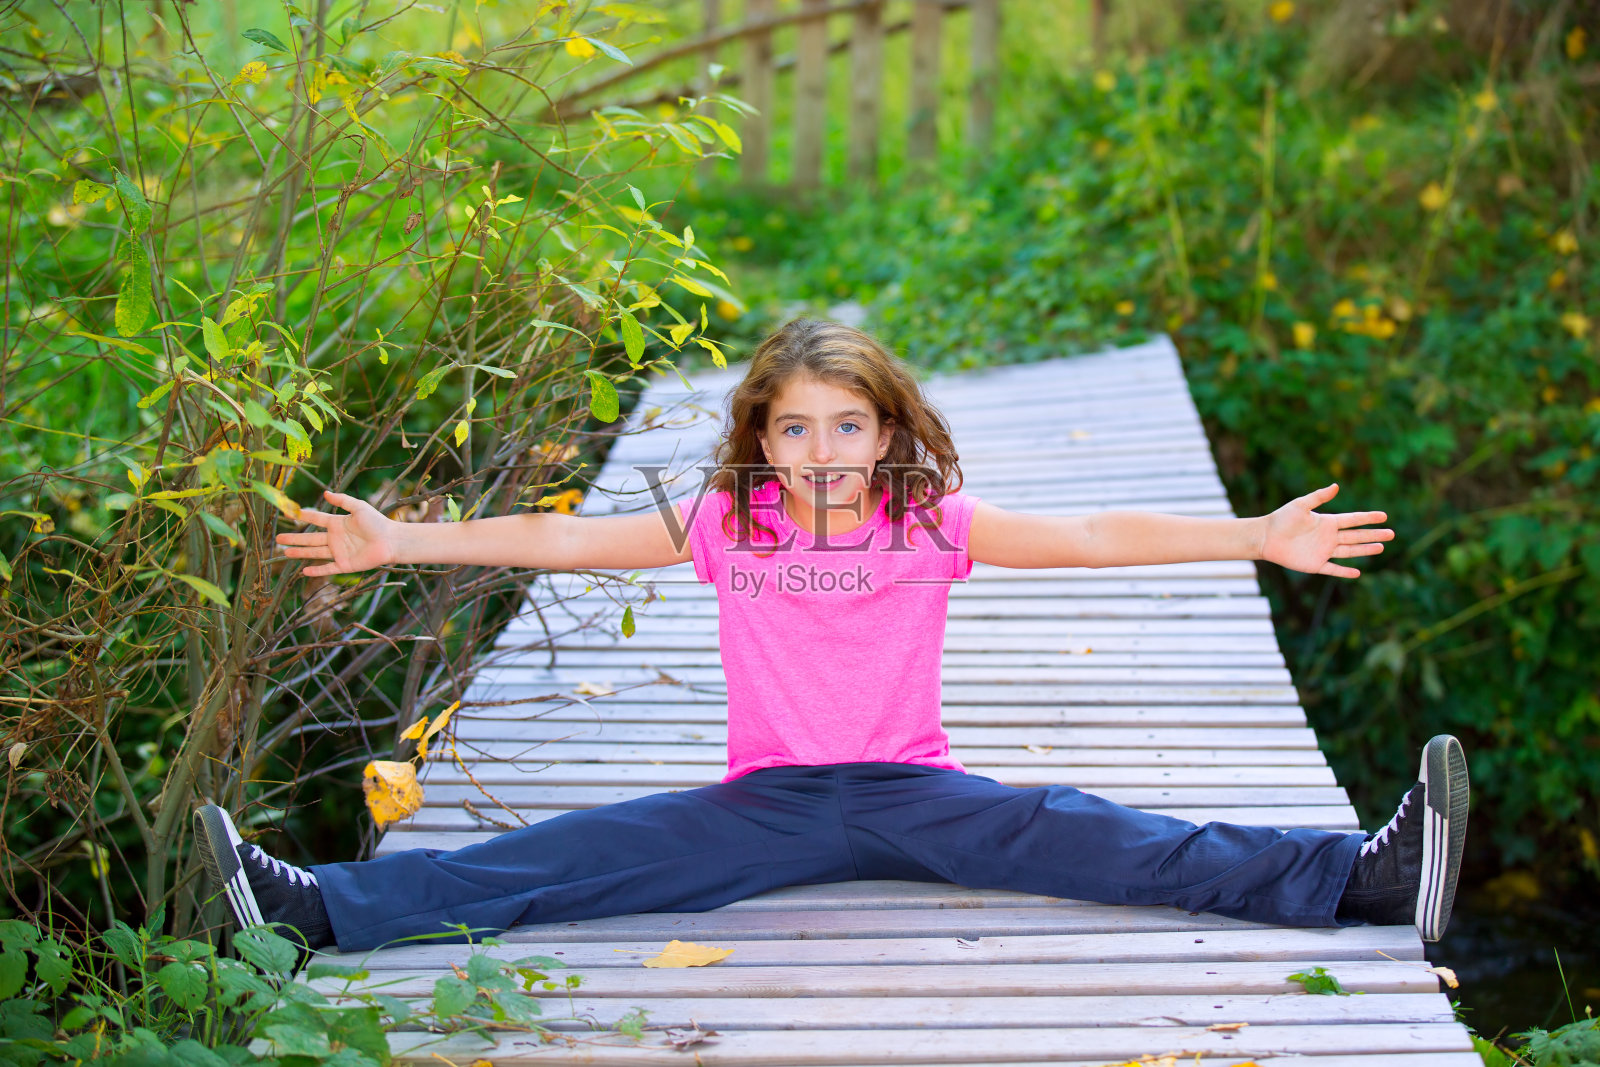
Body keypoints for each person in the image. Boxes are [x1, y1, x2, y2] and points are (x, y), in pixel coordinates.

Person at [193, 318, 1469, 964]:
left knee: (1096, 831)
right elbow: (565, 540)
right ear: (760, 437)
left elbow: (1086, 533)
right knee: (582, 851)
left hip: (916, 792)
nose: (821, 454)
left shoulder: (930, 521)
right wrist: (401, 543)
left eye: (846, 427)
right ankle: (320, 907)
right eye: (793, 430)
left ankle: (1359, 877)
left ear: (887, 431)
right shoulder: (723, 523)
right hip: (777, 802)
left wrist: (1250, 534)